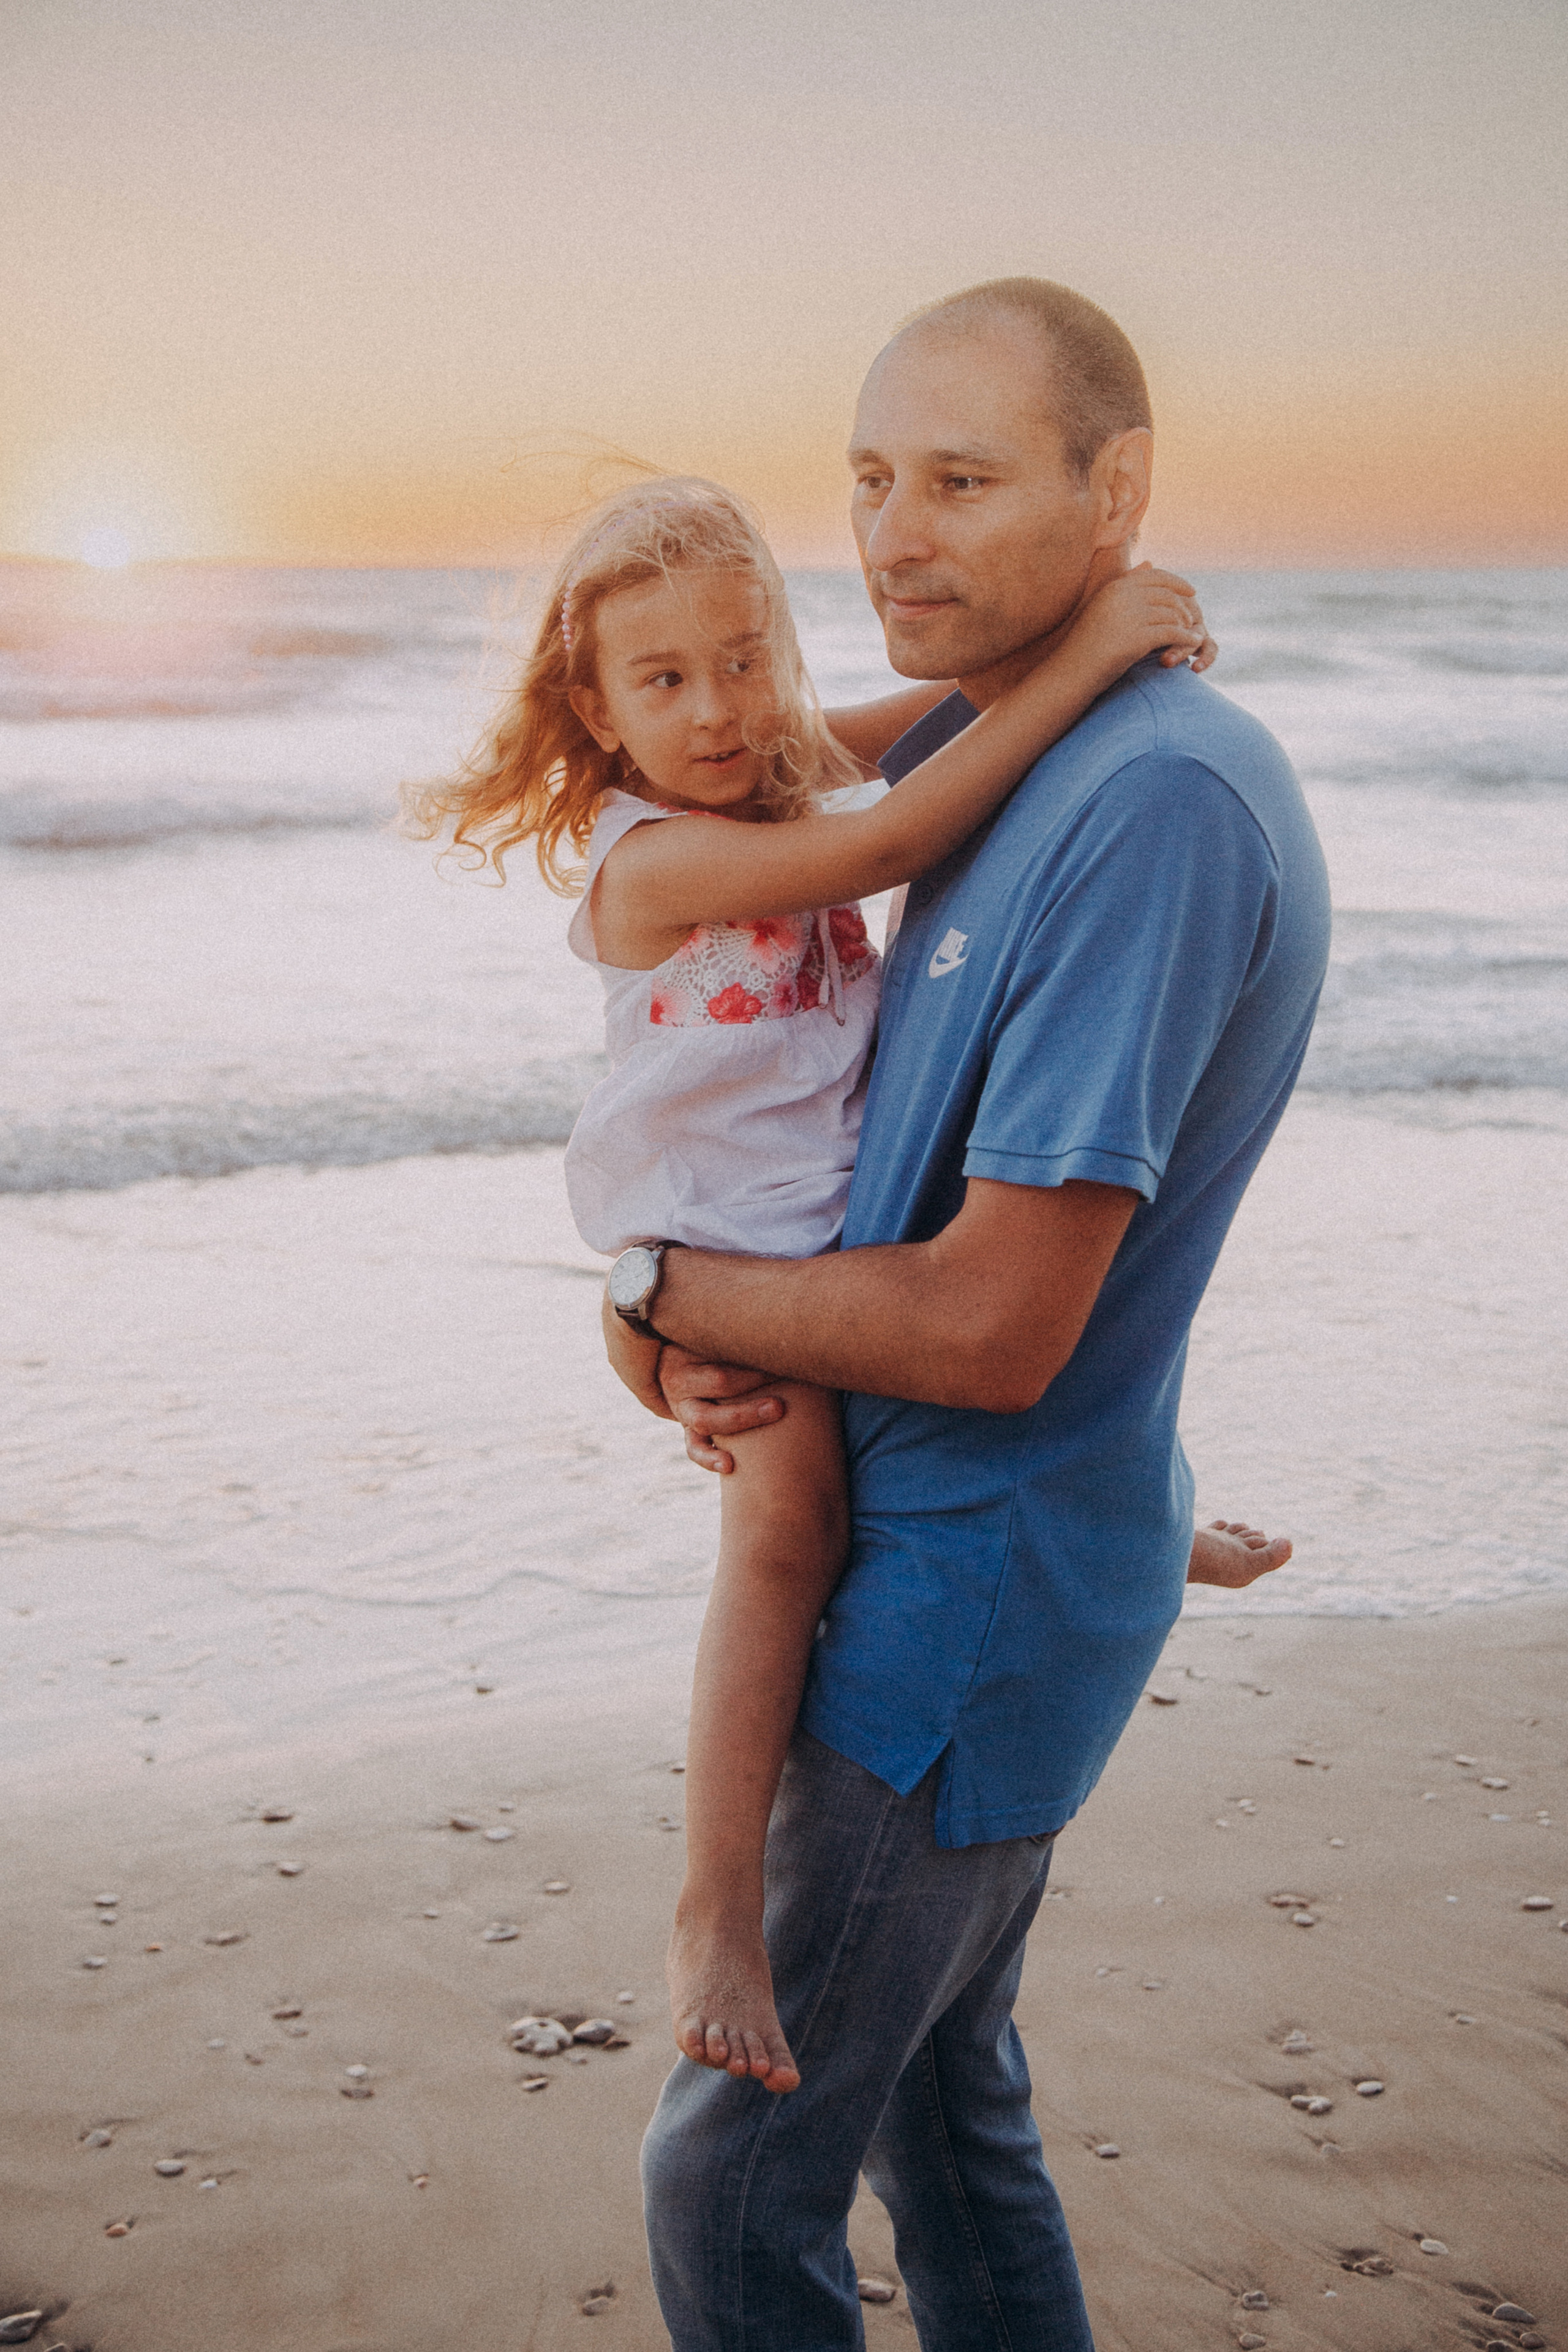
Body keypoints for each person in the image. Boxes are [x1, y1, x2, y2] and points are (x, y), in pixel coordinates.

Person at [601, 279, 1332, 2351]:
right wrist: (661, 1331)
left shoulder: (1152, 800)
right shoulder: (1035, 758)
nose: (889, 535)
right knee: (942, 2107)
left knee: (730, 2184)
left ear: (1120, 493)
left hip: (958, 1606)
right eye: (864, 477)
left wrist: (660, 1291)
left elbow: (998, 1325)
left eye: (961, 478)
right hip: (979, 1557)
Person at [407, 474, 1246, 2105]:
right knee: (790, 1537)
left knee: (1038, 1309)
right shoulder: (648, 859)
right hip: (732, 1236)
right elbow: (901, 830)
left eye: (746, 659)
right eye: (665, 682)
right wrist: (1088, 668)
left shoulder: (774, 755)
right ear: (596, 705)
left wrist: (1074, 621)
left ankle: (1145, 1520)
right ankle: (717, 1905)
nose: (720, 712)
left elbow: (927, 719)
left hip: (840, 1201)